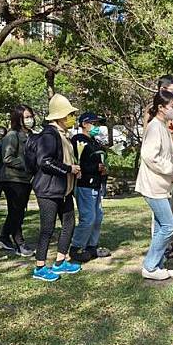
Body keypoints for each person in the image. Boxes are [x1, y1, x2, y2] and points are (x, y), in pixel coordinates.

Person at [31, 94, 82, 282]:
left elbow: (66, 159)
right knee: (47, 228)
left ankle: (60, 261)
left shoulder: (63, 135)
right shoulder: (49, 134)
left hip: (64, 190)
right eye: (69, 114)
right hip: (48, 190)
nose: (72, 117)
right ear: (60, 116)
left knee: (69, 223)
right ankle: (39, 267)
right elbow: (44, 161)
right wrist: (69, 169)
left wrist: (74, 170)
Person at [135, 90, 173, 280]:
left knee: (161, 225)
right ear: (161, 108)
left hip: (160, 186)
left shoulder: (163, 126)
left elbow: (164, 156)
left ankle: (157, 264)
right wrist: (172, 169)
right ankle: (149, 266)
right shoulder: (155, 127)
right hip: (152, 187)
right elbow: (149, 156)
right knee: (168, 227)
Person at [143, 75, 173, 258]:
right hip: (159, 174)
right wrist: (171, 166)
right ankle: (158, 251)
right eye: (172, 90)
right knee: (161, 219)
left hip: (172, 167)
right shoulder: (153, 117)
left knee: (172, 210)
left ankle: (168, 245)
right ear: (162, 89)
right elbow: (150, 150)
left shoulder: (170, 115)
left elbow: (167, 141)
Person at [68, 112, 111, 263]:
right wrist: (94, 167)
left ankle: (92, 245)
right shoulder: (78, 140)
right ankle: (76, 248)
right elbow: (77, 163)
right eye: (95, 123)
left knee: (98, 217)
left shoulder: (95, 142)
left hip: (96, 184)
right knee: (88, 218)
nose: (97, 127)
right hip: (84, 184)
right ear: (85, 124)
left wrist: (104, 169)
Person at [0, 105, 35, 257]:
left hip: (26, 179)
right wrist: (27, 165)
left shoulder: (31, 134)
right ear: (18, 119)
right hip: (13, 179)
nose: (29, 120)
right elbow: (7, 158)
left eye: (31, 116)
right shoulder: (12, 135)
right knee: (16, 211)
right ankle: (20, 243)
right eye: (26, 117)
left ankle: (3, 237)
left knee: (17, 211)